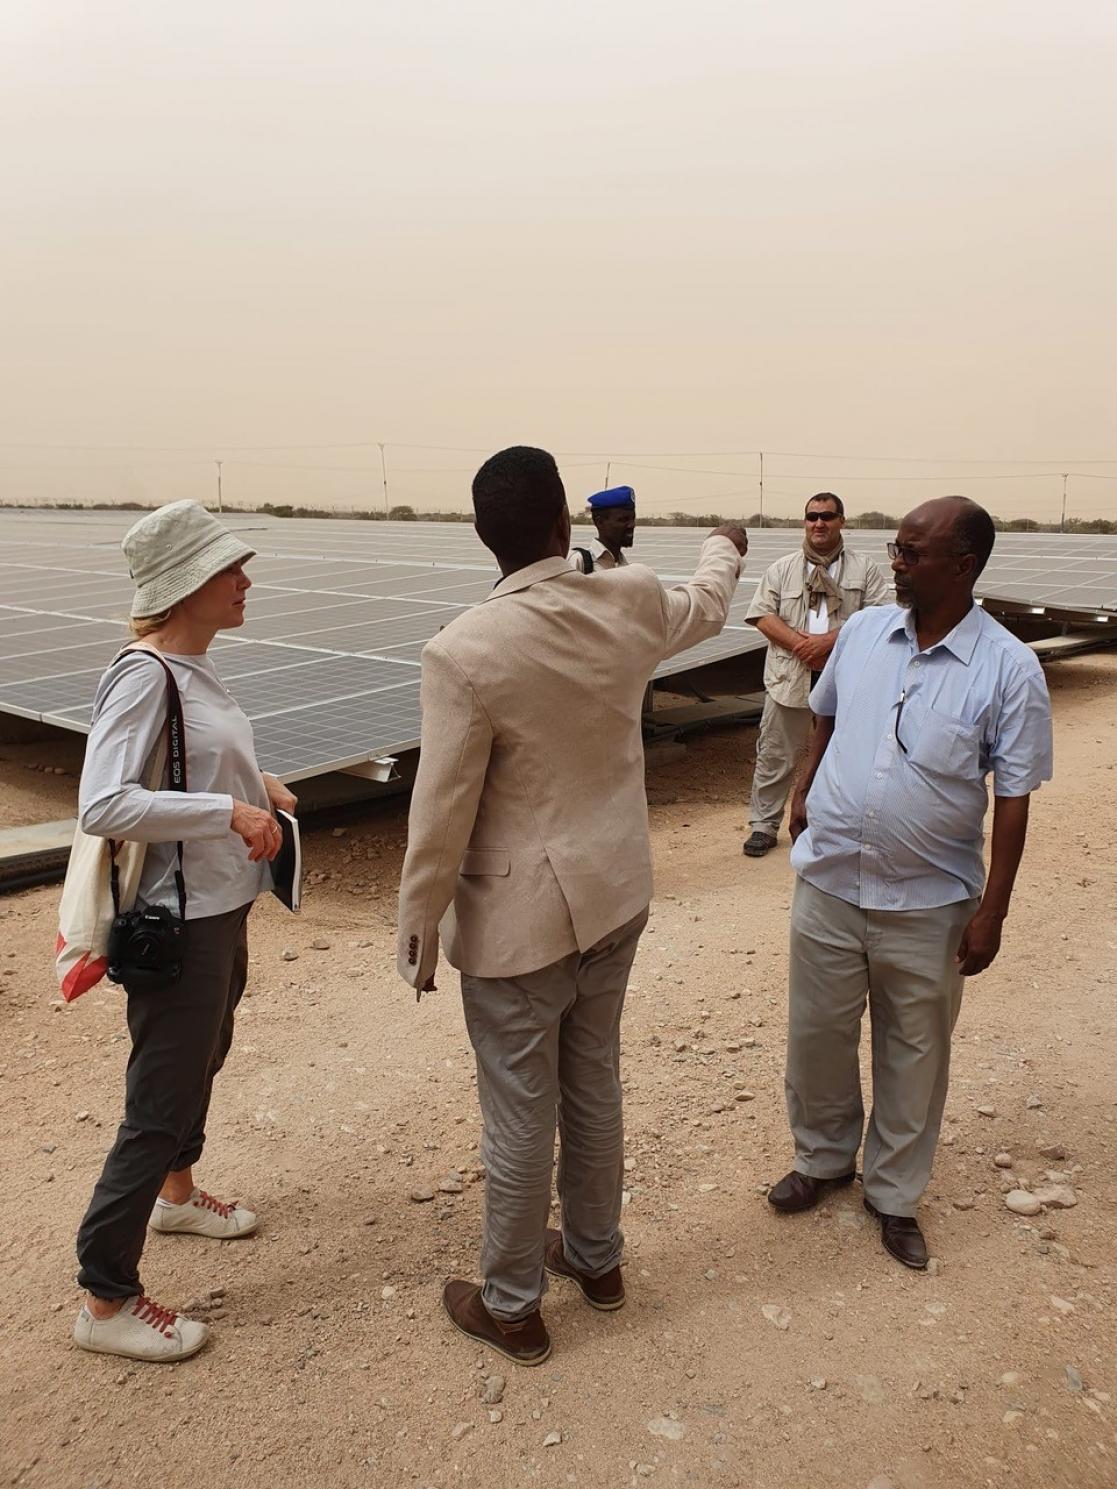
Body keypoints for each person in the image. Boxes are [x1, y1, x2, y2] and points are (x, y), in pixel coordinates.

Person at [396, 446, 746, 1366]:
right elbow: (706, 606)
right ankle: (595, 1260)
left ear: (484, 537)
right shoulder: (628, 601)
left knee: (519, 1111)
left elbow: (439, 813)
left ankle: (511, 1303)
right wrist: (722, 544)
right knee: (592, 1082)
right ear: (565, 523)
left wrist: (419, 929)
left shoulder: (464, 649)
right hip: (616, 893)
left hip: (519, 930)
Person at [768, 496, 1052, 1269]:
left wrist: (992, 910)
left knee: (913, 1052)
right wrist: (802, 790)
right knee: (816, 1038)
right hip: (828, 885)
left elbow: (1013, 796)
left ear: (962, 567)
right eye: (894, 547)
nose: (894, 560)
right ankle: (823, 1160)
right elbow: (822, 716)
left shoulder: (1007, 669)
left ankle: (892, 1195)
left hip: (929, 902)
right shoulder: (861, 633)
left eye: (911, 552)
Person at [70, 500, 296, 1362]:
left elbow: (192, 760)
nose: (246, 579)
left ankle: (176, 1193)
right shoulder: (145, 673)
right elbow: (102, 802)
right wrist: (227, 809)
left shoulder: (196, 668)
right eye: (228, 568)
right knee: (159, 1097)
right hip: (180, 920)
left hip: (219, 907)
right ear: (185, 587)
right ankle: (104, 1294)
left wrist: (256, 782)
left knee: (203, 1058)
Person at [742, 493, 890, 857]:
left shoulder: (865, 570)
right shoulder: (782, 569)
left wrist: (829, 644)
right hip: (789, 676)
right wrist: (800, 646)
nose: (818, 524)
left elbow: (880, 617)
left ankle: (834, 824)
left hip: (845, 679)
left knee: (844, 753)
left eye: (827, 516)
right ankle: (764, 824)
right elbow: (762, 614)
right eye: (812, 517)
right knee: (776, 752)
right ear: (804, 522)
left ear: (842, 521)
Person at [569, 485, 637, 572]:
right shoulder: (579, 563)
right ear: (600, 522)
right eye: (623, 520)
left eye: (633, 518)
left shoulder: (625, 566)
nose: (632, 525)